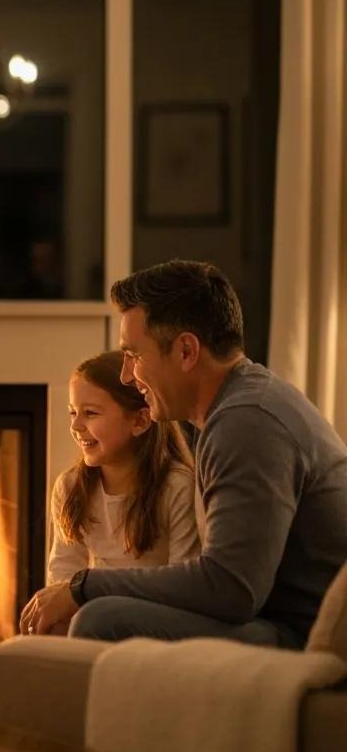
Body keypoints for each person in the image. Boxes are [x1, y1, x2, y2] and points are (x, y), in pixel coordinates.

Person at [22, 260, 347, 647]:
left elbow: (232, 589)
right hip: (273, 619)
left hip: (302, 636)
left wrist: (85, 586)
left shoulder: (247, 424)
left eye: (135, 355)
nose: (128, 375)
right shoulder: (240, 406)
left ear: (186, 351)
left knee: (103, 619)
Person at [36, 350, 199, 635]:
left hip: (154, 621)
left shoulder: (177, 487)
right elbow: (64, 569)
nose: (75, 426)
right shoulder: (70, 487)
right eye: (73, 412)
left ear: (139, 421)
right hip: (91, 618)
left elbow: (184, 582)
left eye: (90, 413)